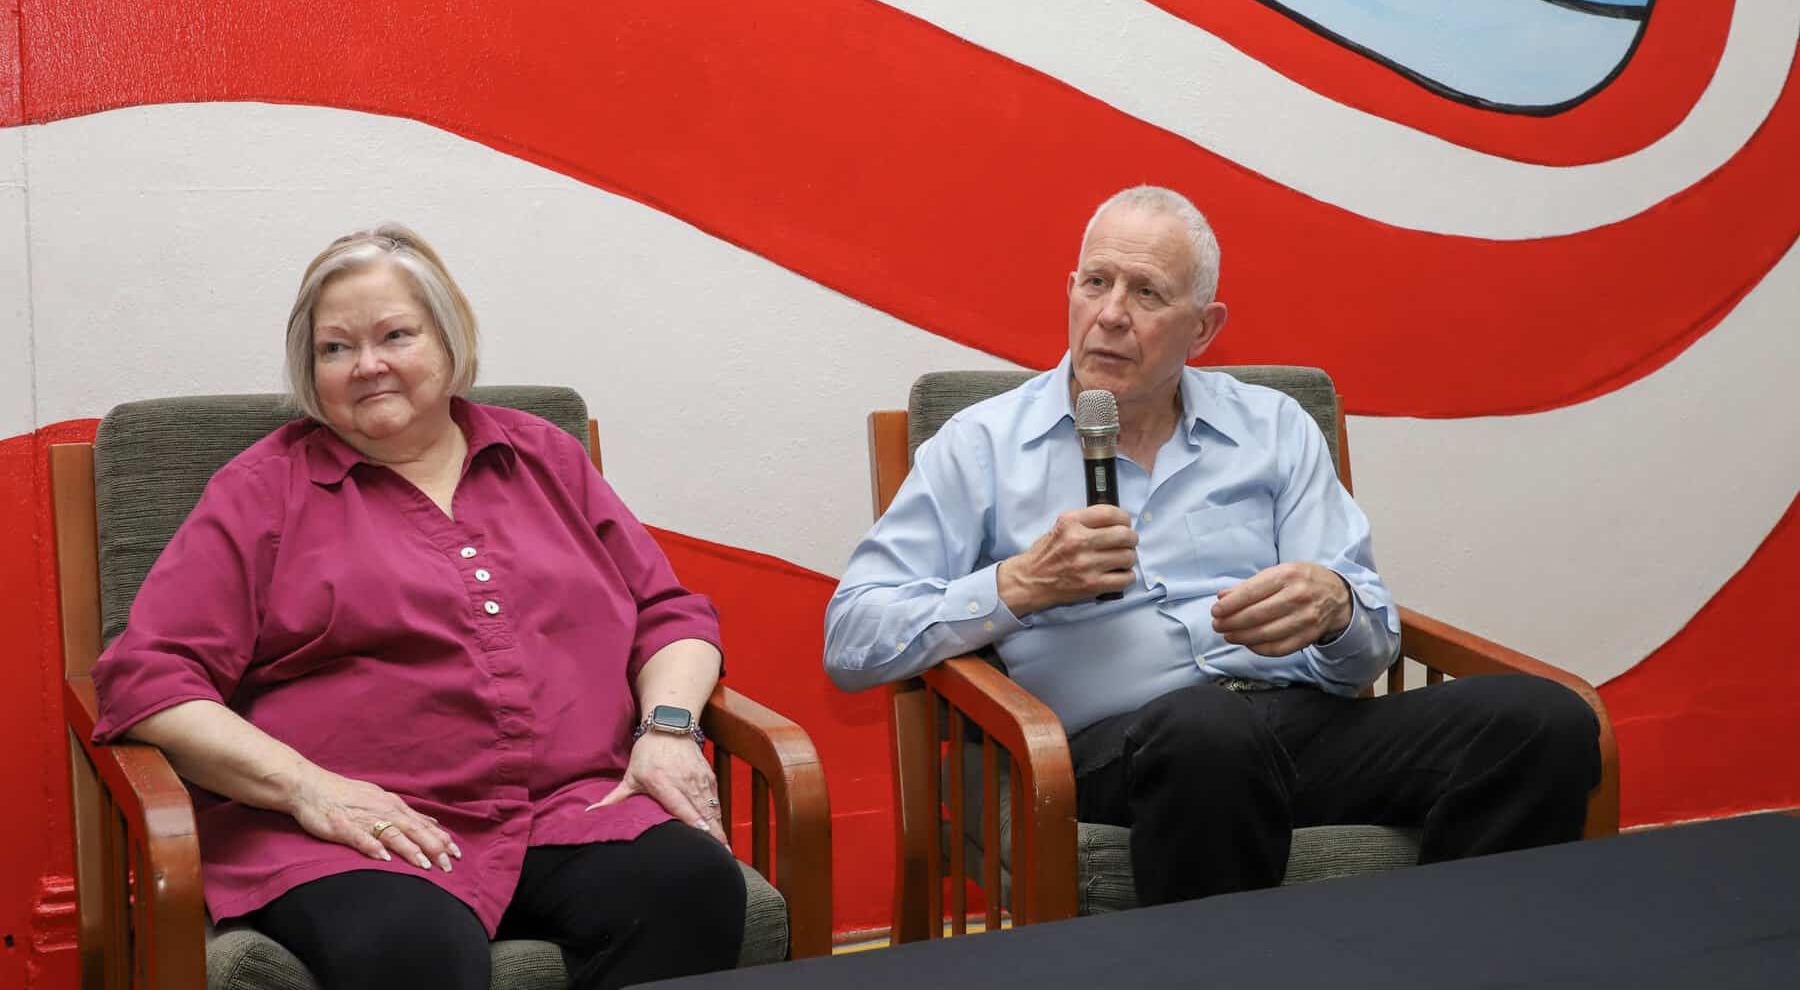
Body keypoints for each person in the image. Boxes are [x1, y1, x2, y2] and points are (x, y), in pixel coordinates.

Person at [824, 185, 1600, 905]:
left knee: (1542, 722)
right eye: (1096, 283)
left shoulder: (1273, 428)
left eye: (1148, 293)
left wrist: (1335, 610)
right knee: (1205, 732)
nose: (1112, 314)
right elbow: (853, 638)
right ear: (1069, 291)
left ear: (1205, 328)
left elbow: (1366, 650)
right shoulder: (984, 446)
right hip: (1113, 753)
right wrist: (1018, 584)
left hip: (1299, 728)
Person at [92, 224, 745, 990]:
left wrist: (667, 730)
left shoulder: (545, 457)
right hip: (359, 830)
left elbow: (669, 615)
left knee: (689, 887)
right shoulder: (262, 491)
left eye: (395, 335)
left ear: (449, 338)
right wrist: (312, 789)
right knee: (411, 951)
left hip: (570, 807)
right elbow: (151, 679)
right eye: (334, 349)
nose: (367, 365)